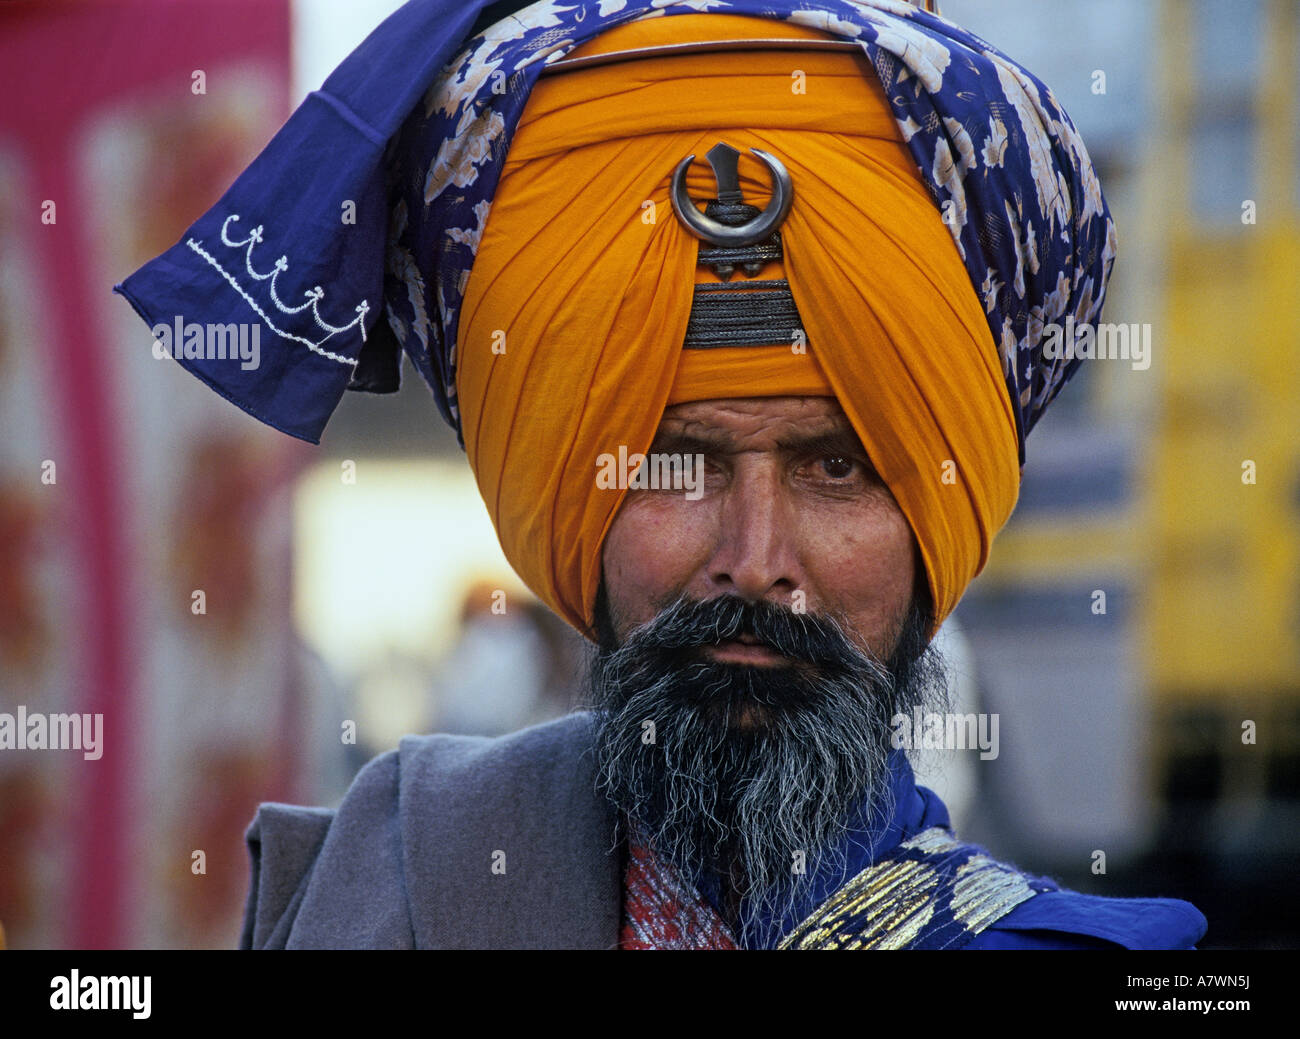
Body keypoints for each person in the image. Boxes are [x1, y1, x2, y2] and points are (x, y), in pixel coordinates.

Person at [115, 0, 1207, 949]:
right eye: (677, 461)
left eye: (835, 466)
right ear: (561, 491)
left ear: (941, 515)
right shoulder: (403, 884)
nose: (754, 562)